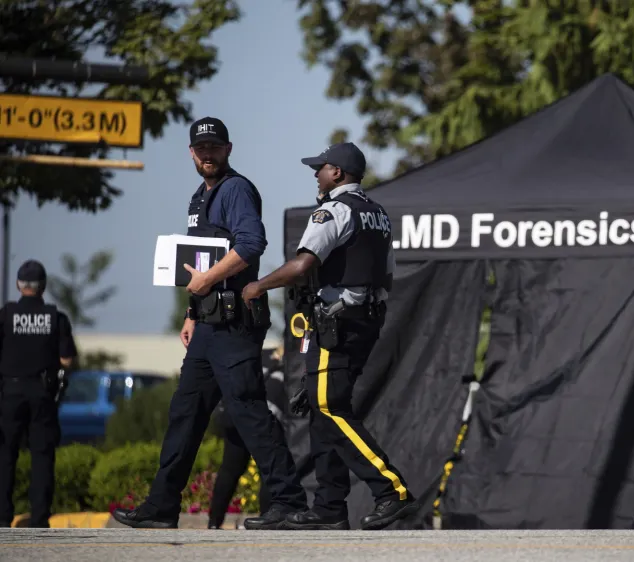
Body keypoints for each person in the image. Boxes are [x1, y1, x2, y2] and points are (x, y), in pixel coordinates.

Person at [112, 117, 307, 530]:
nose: (208, 155)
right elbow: (198, 262)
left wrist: (208, 281)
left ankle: (289, 503)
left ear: (228, 149)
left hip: (234, 325)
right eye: (201, 149)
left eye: (215, 148)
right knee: (185, 413)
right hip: (207, 325)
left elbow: (252, 244)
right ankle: (162, 507)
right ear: (191, 153)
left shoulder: (236, 189)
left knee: (249, 411)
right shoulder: (198, 198)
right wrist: (190, 311)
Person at [242, 142, 416, 531]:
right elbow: (386, 275)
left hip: (335, 323)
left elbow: (303, 265)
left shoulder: (334, 210)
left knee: (331, 409)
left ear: (337, 173)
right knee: (323, 410)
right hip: (364, 322)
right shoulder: (379, 214)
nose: (315, 173)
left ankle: (392, 491)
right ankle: (329, 507)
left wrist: (257, 287)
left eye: (320, 168)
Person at [0, 260, 77, 528]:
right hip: (42, 393)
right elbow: (67, 359)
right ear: (43, 286)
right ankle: (40, 516)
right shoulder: (55, 317)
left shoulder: (6, 315)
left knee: (5, 455)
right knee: (42, 456)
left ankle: (2, 516)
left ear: (19, 285)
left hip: (8, 393)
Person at [207, 346, 286, 529]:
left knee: (230, 469)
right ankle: (266, 518)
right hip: (264, 418)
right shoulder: (289, 362)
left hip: (236, 414)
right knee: (269, 470)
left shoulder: (261, 354)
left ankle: (214, 521)